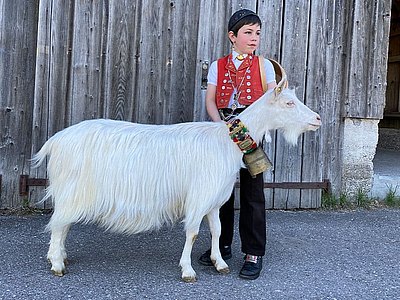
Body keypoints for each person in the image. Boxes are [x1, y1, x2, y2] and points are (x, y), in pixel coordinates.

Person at [198, 9, 277, 280]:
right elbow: (211, 100)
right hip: (224, 130)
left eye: (257, 33)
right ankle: (221, 246)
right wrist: (221, 125)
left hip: (251, 134)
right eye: (247, 33)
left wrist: (254, 131)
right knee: (221, 193)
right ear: (232, 36)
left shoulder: (264, 66)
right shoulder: (218, 66)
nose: (254, 38)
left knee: (253, 193)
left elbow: (272, 101)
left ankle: (253, 253)